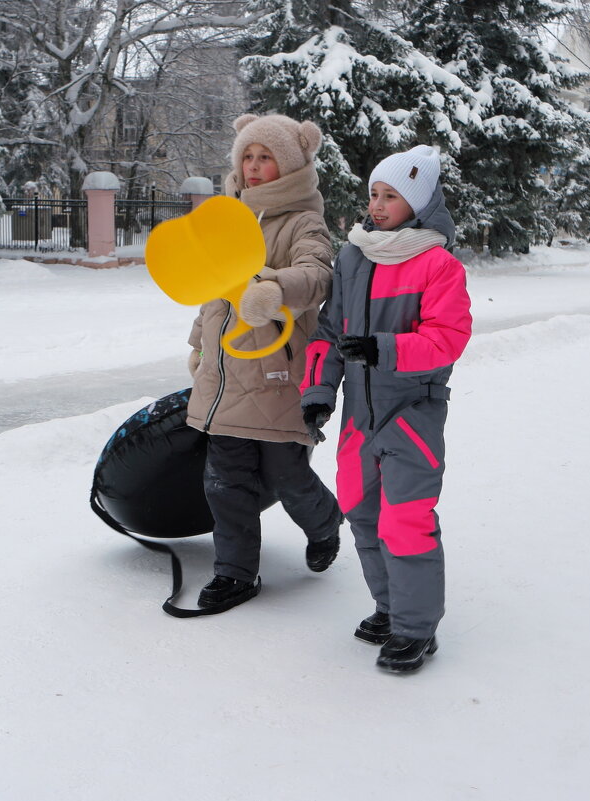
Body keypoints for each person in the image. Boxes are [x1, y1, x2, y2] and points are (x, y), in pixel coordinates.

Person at [300, 145, 472, 673]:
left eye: (390, 196)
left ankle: (416, 629)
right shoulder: (354, 256)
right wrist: (318, 393)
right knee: (361, 510)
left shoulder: (437, 264)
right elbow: (329, 333)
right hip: (358, 415)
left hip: (412, 413)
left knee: (406, 520)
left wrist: (385, 348)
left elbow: (448, 339)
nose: (377, 205)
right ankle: (388, 607)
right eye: (373, 194)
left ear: (417, 203)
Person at [186, 114, 342, 612]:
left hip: (277, 373)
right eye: (247, 156)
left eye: (265, 157)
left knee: (286, 476)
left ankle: (323, 523)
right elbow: (212, 291)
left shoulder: (303, 220)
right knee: (225, 481)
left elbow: (317, 275)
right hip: (226, 370)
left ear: (291, 162)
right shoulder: (228, 215)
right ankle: (234, 574)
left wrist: (275, 288)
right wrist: (198, 344)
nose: (253, 167)